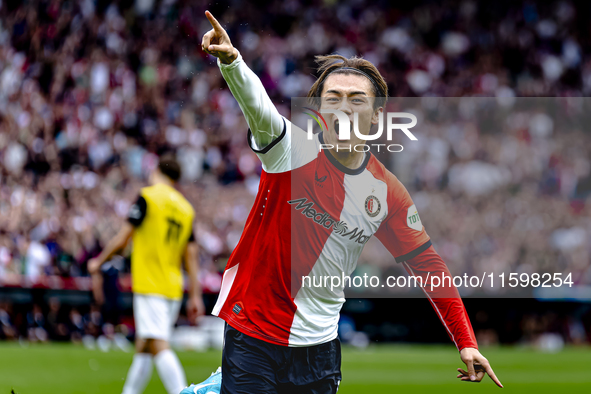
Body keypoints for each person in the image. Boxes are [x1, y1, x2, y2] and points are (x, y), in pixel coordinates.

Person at [198, 10, 503, 394]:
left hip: (320, 350)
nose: (344, 107)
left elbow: (428, 265)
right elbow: (258, 107)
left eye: (357, 100)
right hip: (253, 335)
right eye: (334, 98)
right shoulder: (290, 151)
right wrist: (233, 62)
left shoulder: (388, 192)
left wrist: (467, 341)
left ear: (376, 118)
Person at [88, 158, 205, 394]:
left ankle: (183, 392)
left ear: (156, 171)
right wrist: (195, 295)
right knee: (144, 346)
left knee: (158, 345)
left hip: (151, 284)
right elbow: (190, 257)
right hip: (173, 286)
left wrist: (98, 261)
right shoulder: (186, 208)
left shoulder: (148, 197)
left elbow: (122, 239)